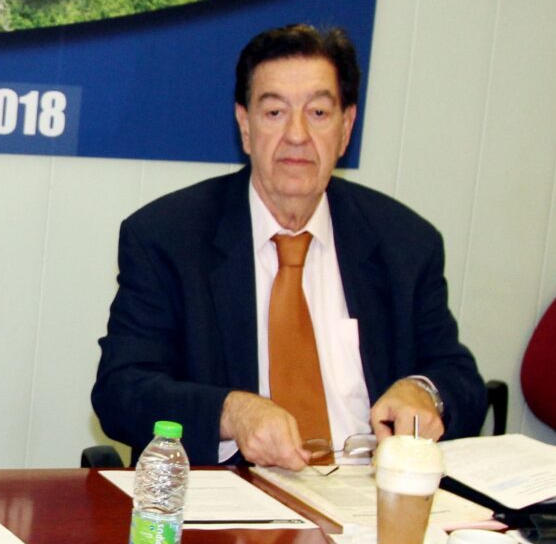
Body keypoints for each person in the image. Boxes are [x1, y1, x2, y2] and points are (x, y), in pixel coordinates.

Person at [92, 25, 484, 469]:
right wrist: (232, 413)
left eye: (318, 112)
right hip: (235, 495)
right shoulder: (168, 238)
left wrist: (425, 392)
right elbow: (122, 390)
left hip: (370, 494)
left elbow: (461, 381)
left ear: (346, 128)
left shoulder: (405, 243)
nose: (297, 134)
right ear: (245, 126)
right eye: (275, 112)